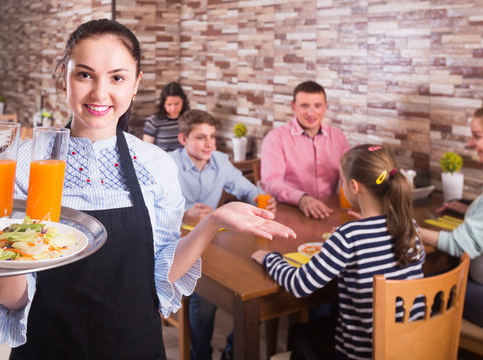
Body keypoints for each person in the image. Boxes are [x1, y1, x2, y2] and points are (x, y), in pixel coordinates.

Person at [0, 19, 296, 359]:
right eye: (84, 74)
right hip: (47, 347)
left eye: (117, 77)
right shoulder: (23, 164)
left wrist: (212, 223)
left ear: (135, 84)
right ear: (64, 78)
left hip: (134, 346)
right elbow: (10, 297)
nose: (100, 93)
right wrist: (0, 250)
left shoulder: (156, 165)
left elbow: (160, 273)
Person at [252, 144, 425, 360]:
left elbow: (299, 285)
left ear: (354, 186)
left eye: (341, 181)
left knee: (301, 334)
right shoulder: (411, 228)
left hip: (359, 355)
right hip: (409, 350)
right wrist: (366, 227)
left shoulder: (350, 235)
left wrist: (270, 258)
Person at [168, 109, 277, 360]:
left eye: (213, 137)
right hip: (178, 243)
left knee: (253, 288)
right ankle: (200, 355)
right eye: (201, 137)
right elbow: (152, 208)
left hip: (216, 242)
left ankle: (231, 353)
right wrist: (185, 215)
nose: (209, 144)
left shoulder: (221, 161)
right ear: (183, 139)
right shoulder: (168, 163)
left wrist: (262, 202)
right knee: (203, 302)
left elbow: (248, 190)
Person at [421, 104, 483, 340]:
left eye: (477, 136)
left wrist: (409, 229)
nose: (469, 143)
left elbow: (460, 244)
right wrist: (470, 209)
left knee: (417, 293)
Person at [260, 81, 350, 219]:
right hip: (289, 212)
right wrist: (301, 198)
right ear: (293, 106)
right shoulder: (275, 138)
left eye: (317, 106)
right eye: (304, 106)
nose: (311, 113)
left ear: (325, 107)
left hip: (327, 211)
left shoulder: (338, 137)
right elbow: (271, 183)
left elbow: (350, 176)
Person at [143, 81, 190, 151]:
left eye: (177, 104)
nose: (173, 108)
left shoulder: (189, 119)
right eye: (169, 105)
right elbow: (147, 149)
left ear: (183, 101)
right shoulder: (153, 122)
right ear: (163, 104)